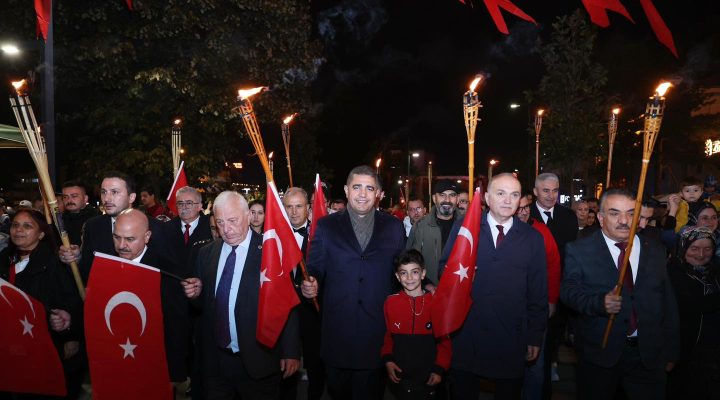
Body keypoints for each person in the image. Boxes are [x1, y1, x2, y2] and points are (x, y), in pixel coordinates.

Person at [561, 188, 680, 400]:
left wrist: (671, 350)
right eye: (615, 213)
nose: (624, 220)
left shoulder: (654, 249)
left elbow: (667, 301)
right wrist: (599, 302)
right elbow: (569, 293)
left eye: (631, 213)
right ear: (600, 217)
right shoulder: (579, 250)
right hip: (600, 354)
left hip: (648, 355)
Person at [301, 165, 406, 399]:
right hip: (338, 330)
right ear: (347, 190)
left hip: (376, 332)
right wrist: (312, 281)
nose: (362, 193)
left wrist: (426, 283)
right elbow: (315, 265)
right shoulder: (327, 226)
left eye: (369, 188)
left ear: (378, 193)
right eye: (357, 187)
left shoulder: (394, 227)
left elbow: (402, 268)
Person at [440, 173, 548, 400]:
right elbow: (444, 271)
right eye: (501, 194)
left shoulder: (532, 238)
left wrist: (535, 335)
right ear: (487, 198)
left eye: (514, 195)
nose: (508, 200)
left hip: (510, 336)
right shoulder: (466, 229)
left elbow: (538, 291)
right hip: (468, 332)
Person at [183, 191, 300, 400]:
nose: (226, 230)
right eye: (220, 222)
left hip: (259, 361)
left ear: (248, 216)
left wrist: (290, 351)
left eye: (233, 220)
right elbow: (203, 307)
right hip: (216, 362)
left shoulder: (270, 252)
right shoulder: (206, 253)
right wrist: (195, 294)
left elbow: (286, 305)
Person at [0, 209, 84, 399]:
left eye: (27, 226)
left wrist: (69, 329)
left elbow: (72, 302)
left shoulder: (55, 264)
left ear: (41, 234)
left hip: (42, 349)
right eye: (15, 225)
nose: (18, 230)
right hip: (8, 349)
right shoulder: (3, 260)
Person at [113, 209, 190, 385]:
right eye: (117, 237)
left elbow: (176, 326)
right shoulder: (106, 264)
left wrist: (174, 373)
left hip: (155, 365)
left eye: (130, 239)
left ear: (147, 237)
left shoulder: (168, 272)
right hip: (118, 360)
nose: (121, 245)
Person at [58, 171, 169, 282]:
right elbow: (87, 273)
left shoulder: (157, 229)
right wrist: (76, 259)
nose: (107, 199)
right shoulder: (92, 226)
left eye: (114, 192)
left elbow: (166, 277)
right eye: (104, 192)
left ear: (131, 197)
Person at [381, 249, 451, 400]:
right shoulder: (390, 303)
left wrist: (439, 369)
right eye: (403, 273)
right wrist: (388, 360)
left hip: (429, 375)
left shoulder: (435, 303)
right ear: (397, 277)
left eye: (414, 272)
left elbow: (444, 341)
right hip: (402, 376)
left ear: (423, 274)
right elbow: (388, 336)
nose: (409, 278)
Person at [529, 172, 577, 387]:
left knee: (551, 345)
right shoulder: (524, 215)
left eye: (555, 190)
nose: (551, 195)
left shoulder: (568, 216)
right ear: (535, 191)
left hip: (560, 292)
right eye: (546, 190)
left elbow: (572, 255)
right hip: (531, 292)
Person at [280, 187, 326, 400]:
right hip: (285, 308)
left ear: (308, 208)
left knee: (314, 359)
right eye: (289, 206)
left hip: (312, 309)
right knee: (286, 360)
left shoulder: (320, 235)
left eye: (299, 206)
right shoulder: (274, 236)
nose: (294, 212)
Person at [516, 193, 561, 400]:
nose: (524, 211)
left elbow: (553, 267)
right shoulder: (503, 232)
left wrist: (551, 299)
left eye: (526, 207)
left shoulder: (541, 231)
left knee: (535, 363)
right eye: (520, 207)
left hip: (536, 308)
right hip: (510, 310)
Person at [666, 227, 720, 399]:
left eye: (708, 249)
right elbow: (692, 305)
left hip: (714, 350)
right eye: (694, 248)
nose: (701, 254)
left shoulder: (716, 269)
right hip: (686, 349)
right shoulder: (672, 272)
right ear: (683, 248)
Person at [407, 179, 461, 291]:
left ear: (458, 199)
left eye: (452, 195)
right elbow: (409, 262)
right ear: (434, 198)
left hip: (459, 291)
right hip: (428, 292)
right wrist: (426, 284)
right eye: (442, 195)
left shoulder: (467, 227)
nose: (447, 200)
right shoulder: (419, 227)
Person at [162, 186, 213, 276]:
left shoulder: (211, 227)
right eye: (180, 203)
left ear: (199, 206)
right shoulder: (166, 228)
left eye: (189, 203)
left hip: (201, 284)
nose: (184, 207)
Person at [61, 180, 99, 246]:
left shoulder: (96, 219)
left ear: (85, 198)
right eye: (65, 197)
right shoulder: (60, 219)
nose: (69, 200)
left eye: (74, 196)